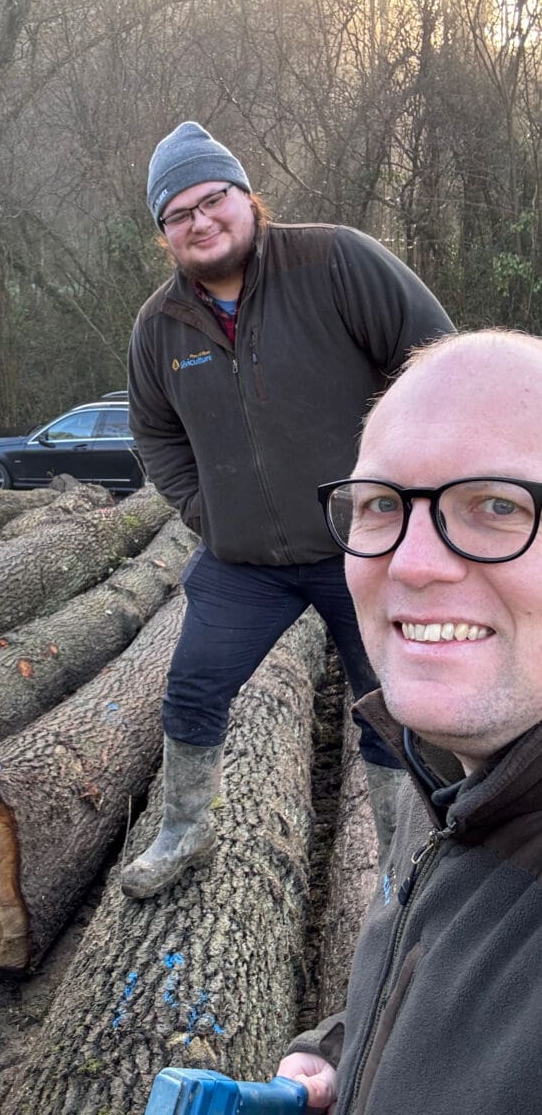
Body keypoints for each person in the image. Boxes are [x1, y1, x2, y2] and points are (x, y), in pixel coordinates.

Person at [122, 120, 455, 899]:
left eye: (214, 200)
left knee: (390, 704)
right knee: (192, 690)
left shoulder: (334, 260)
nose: (201, 221)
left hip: (364, 550)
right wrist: (210, 513)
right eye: (179, 215)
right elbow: (155, 434)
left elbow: (435, 362)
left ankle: (396, 861)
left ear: (246, 197)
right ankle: (185, 831)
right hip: (244, 566)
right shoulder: (159, 328)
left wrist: (399, 498)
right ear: (165, 234)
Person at [277, 329, 542, 1113]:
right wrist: (345, 1056)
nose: (414, 563)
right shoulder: (468, 785)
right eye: (383, 505)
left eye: (497, 505)